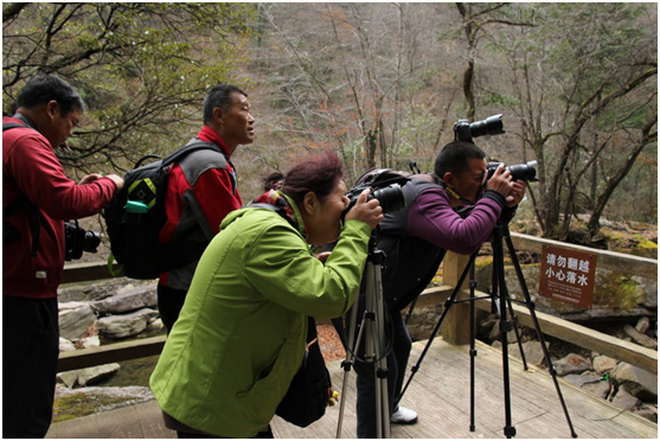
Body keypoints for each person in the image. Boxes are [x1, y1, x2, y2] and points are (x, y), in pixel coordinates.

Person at [149, 151, 384, 438]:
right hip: (211, 400)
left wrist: (310, 266)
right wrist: (357, 229)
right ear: (310, 202)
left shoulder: (267, 222)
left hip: (220, 392)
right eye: (342, 198)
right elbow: (332, 296)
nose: (347, 206)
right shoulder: (268, 234)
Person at [334, 140, 528, 438]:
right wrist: (493, 196)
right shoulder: (426, 196)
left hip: (382, 295)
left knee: (400, 346)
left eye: (486, 175)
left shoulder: (443, 196)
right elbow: (464, 238)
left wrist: (505, 205)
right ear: (450, 178)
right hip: (359, 298)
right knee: (376, 372)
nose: (485, 181)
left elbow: (479, 230)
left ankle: (389, 408)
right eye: (478, 177)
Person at [3, 74, 125, 438]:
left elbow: (42, 199)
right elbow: (64, 201)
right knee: (27, 403)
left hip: (14, 286)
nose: (70, 134)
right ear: (52, 109)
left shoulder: (7, 137)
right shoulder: (24, 142)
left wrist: (78, 189)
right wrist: (110, 184)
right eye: (71, 123)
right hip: (22, 294)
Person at [157, 84, 254, 332]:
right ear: (219, 115)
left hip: (180, 285)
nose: (252, 119)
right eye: (244, 109)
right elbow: (232, 233)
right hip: (191, 290)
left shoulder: (198, 153)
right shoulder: (208, 164)